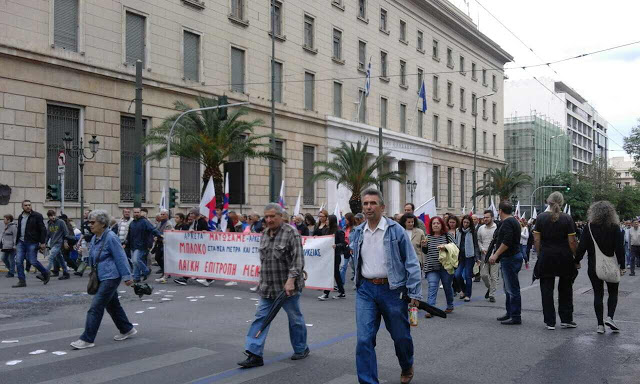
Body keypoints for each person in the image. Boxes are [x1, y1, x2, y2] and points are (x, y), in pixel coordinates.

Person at [349, 188, 422, 384]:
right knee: (364, 340)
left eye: (373, 203)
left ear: (382, 207)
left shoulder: (395, 230)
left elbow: (412, 262)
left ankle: (406, 365)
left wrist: (414, 291)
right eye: (365, 204)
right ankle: (368, 381)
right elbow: (354, 259)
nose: (368, 207)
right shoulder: (357, 232)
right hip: (366, 291)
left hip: (393, 291)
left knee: (401, 338)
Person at [238, 203, 309, 368]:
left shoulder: (291, 233)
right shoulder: (263, 233)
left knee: (295, 319)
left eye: (272, 216)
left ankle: (301, 348)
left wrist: (291, 281)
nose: (269, 220)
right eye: (266, 217)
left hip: (287, 289)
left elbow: (298, 261)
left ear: (281, 217)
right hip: (268, 288)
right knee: (260, 318)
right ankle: (254, 354)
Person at [70, 210, 136, 350]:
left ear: (103, 223)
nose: (90, 225)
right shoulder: (95, 237)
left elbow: (120, 257)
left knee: (96, 307)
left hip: (111, 276)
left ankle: (87, 339)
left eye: (92, 222)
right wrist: (84, 254)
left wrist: (127, 277)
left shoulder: (111, 237)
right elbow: (94, 257)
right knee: (112, 305)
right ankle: (127, 329)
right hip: (101, 275)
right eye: (89, 222)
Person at [575, 201, 626, 334]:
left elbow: (582, 246)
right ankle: (610, 317)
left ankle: (599, 325)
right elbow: (620, 248)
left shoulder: (589, 227)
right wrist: (622, 265)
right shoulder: (615, 227)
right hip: (610, 264)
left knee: (598, 294)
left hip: (594, 265)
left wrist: (577, 260)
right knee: (613, 292)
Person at [533, 192, 578, 330]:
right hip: (564, 257)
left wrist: (541, 253)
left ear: (548, 202)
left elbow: (536, 240)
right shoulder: (567, 218)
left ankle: (550, 321)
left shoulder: (540, 218)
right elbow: (572, 241)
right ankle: (566, 319)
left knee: (546, 289)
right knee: (566, 289)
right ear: (561, 202)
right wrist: (575, 256)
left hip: (546, 256)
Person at [489, 201, 523, 325]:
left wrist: (496, 254)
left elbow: (507, 241)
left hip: (510, 258)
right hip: (512, 257)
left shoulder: (508, 222)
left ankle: (515, 315)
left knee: (512, 288)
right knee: (508, 287)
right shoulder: (513, 221)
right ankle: (510, 313)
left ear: (500, 211)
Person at [423, 216, 455, 316]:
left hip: (445, 267)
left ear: (441, 225)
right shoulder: (427, 237)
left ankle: (450, 305)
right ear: (431, 226)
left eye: (438, 223)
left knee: (447, 287)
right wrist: (424, 246)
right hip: (431, 267)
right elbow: (426, 252)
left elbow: (455, 248)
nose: (436, 225)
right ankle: (431, 309)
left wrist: (445, 247)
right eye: (433, 223)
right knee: (432, 286)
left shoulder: (447, 236)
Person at [13, 200, 49, 288]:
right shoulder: (20, 216)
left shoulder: (37, 216)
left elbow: (43, 229)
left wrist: (43, 242)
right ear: (22, 207)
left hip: (32, 242)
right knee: (18, 261)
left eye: (29, 205)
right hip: (21, 242)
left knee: (32, 260)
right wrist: (16, 242)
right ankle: (22, 281)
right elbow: (19, 230)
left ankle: (45, 273)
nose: (28, 206)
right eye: (26, 205)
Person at [125, 208, 163, 283]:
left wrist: (159, 235)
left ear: (140, 213)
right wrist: (126, 243)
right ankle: (136, 277)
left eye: (138, 212)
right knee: (134, 262)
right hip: (134, 245)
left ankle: (146, 270)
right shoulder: (132, 223)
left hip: (142, 245)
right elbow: (129, 235)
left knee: (136, 260)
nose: (136, 213)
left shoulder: (144, 222)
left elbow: (153, 229)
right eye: (135, 212)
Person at [319, 215, 347, 300]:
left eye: (328, 219)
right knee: (336, 274)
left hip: (335, 255)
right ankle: (341, 292)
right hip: (328, 255)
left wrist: (336, 245)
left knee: (330, 273)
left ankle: (326, 293)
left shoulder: (338, 231)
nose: (326, 221)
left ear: (332, 221)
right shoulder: (326, 230)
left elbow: (343, 244)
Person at [454, 215, 480, 301]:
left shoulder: (473, 232)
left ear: (470, 223)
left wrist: (477, 258)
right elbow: (455, 243)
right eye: (464, 222)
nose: (465, 224)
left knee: (468, 276)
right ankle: (464, 290)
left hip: (470, 256)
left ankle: (468, 295)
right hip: (460, 256)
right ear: (462, 222)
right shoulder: (458, 231)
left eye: (467, 223)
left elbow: (476, 245)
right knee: (457, 274)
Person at [477, 210, 498, 303]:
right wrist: (481, 248)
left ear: (492, 218)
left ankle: (492, 295)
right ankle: (490, 288)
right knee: (484, 275)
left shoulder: (497, 227)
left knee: (493, 276)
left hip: (495, 255)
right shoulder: (481, 228)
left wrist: (496, 253)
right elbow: (479, 240)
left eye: (487, 217)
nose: (485, 219)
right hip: (484, 255)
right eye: (484, 217)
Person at [46, 210, 71, 280]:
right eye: (51, 216)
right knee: (60, 259)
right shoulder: (49, 223)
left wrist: (65, 242)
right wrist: (45, 243)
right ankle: (66, 273)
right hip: (53, 243)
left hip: (59, 243)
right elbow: (47, 235)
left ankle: (45, 273)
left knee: (50, 257)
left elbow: (66, 233)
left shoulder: (61, 222)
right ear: (48, 217)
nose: (53, 217)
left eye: (54, 215)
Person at [153, 209, 173, 283]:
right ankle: (165, 271)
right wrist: (155, 236)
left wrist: (159, 237)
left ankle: (165, 274)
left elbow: (169, 234)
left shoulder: (169, 224)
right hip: (159, 243)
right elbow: (156, 231)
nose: (161, 216)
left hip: (165, 243)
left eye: (163, 214)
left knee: (164, 259)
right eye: (161, 214)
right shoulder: (159, 223)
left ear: (167, 215)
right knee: (157, 257)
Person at [339, 212, 355, 285]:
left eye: (346, 219)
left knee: (354, 266)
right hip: (345, 250)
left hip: (352, 250)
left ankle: (356, 280)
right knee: (343, 267)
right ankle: (341, 284)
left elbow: (355, 240)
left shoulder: (355, 229)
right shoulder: (344, 228)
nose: (345, 220)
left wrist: (352, 248)